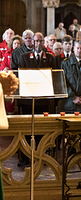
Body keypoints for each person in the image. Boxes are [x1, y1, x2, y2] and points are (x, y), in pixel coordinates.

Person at [18, 32, 56, 166]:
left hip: (44, 100)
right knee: (26, 129)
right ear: (32, 42)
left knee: (42, 129)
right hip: (28, 100)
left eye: (41, 41)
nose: (38, 44)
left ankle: (41, 157)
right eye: (36, 41)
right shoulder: (24, 57)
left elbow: (54, 78)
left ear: (43, 42)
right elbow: (21, 78)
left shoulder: (50, 58)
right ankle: (24, 158)